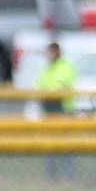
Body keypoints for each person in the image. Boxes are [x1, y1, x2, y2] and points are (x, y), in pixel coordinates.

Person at [36, 41, 77, 180]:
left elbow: (60, 86)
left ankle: (68, 175)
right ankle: (52, 175)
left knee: (66, 144)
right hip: (49, 110)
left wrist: (48, 91)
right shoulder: (48, 68)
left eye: (51, 52)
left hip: (64, 110)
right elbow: (41, 85)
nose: (49, 55)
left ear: (57, 52)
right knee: (50, 144)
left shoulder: (65, 66)